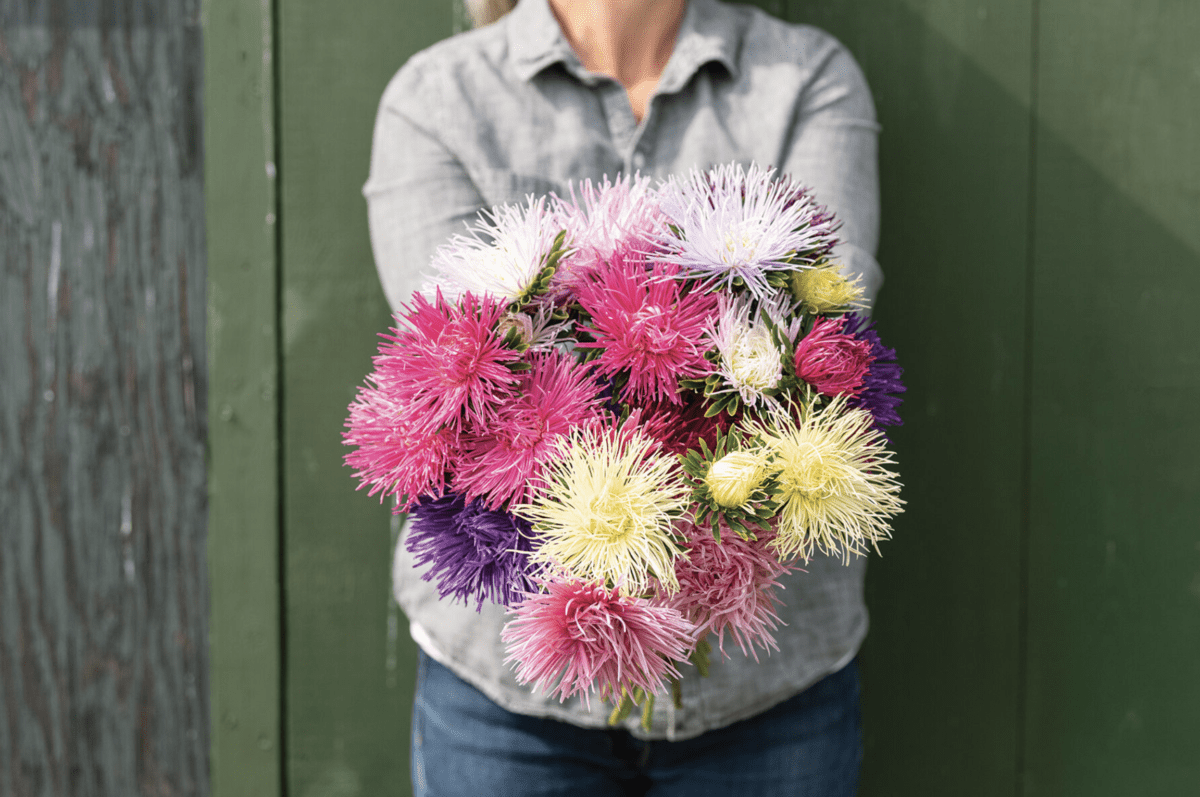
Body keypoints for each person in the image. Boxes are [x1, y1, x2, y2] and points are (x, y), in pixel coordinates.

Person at [363, 0, 882, 793]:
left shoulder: (806, 78)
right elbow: (458, 378)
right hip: (508, 697)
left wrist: (587, 347)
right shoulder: (436, 97)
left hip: (770, 686)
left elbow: (818, 328)